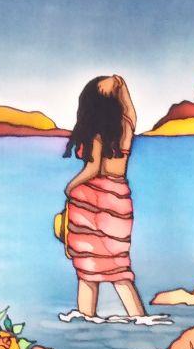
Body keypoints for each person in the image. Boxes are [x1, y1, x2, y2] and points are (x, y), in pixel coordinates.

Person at [61, 74, 147, 320]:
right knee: (119, 266)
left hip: (93, 202)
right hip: (119, 198)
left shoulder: (97, 134)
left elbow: (92, 169)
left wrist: (70, 187)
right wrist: (122, 86)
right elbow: (131, 111)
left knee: (87, 268)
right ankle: (140, 317)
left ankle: (85, 317)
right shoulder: (126, 127)